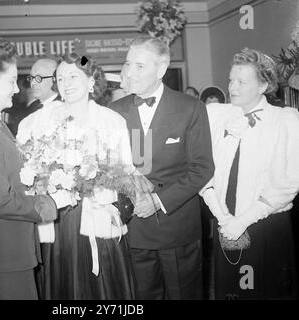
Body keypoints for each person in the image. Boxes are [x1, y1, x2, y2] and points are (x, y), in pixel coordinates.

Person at [16, 52, 137, 300]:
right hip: (58, 218)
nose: (66, 83)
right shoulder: (37, 122)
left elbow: (127, 172)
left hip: (99, 214)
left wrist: (110, 195)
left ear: (91, 80)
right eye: (61, 78)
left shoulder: (112, 121)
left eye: (73, 76)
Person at [109, 36, 214, 300]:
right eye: (127, 63)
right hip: (131, 229)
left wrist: (157, 200)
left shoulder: (191, 108)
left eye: (140, 66)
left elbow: (202, 168)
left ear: (162, 68)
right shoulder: (113, 111)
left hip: (175, 227)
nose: (129, 72)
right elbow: (108, 168)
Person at [0, 38, 57, 300]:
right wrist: (43, 205)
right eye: (11, 81)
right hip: (1, 255)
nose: (16, 89)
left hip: (9, 253)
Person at [203, 48, 299, 299]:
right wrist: (223, 218)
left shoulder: (284, 119)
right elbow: (203, 169)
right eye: (231, 80)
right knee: (230, 292)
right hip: (224, 221)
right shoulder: (216, 115)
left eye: (242, 81)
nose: (232, 86)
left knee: (263, 292)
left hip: (264, 225)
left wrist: (242, 221)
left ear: (263, 85)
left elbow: (288, 184)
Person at [7, 58, 60, 136]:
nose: (33, 82)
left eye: (39, 78)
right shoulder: (33, 107)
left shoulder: (62, 108)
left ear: (54, 79)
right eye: (31, 78)